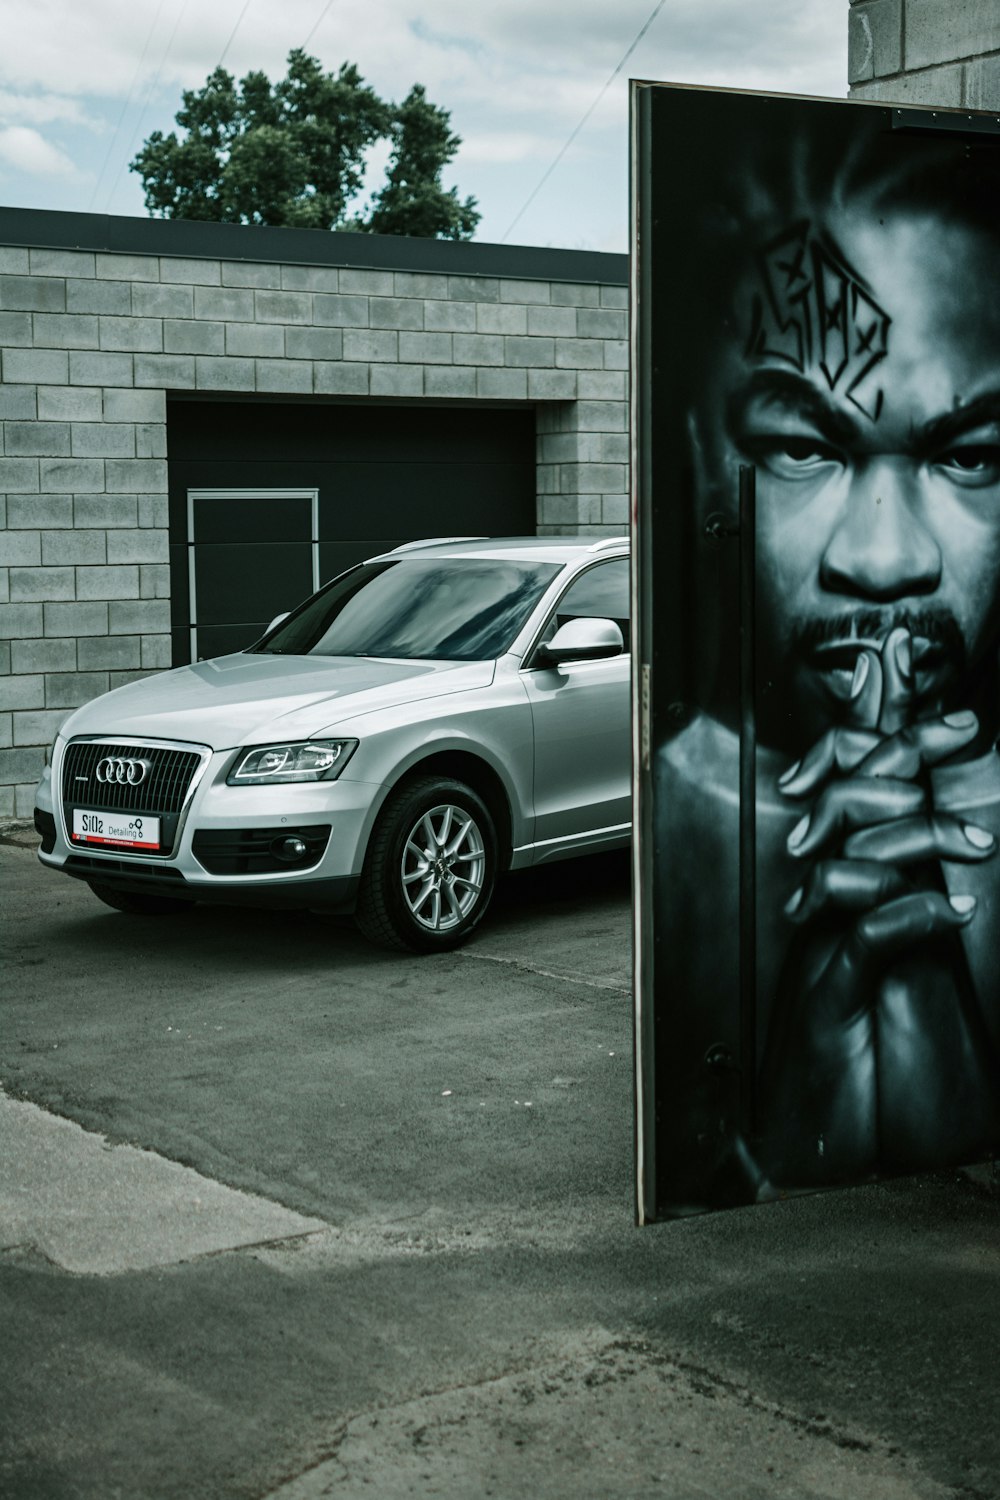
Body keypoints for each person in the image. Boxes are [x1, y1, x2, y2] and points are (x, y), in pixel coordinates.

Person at [650, 100, 1000, 1207]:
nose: (887, 560)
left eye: (970, 456)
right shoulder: (661, 835)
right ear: (707, 459)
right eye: (804, 448)